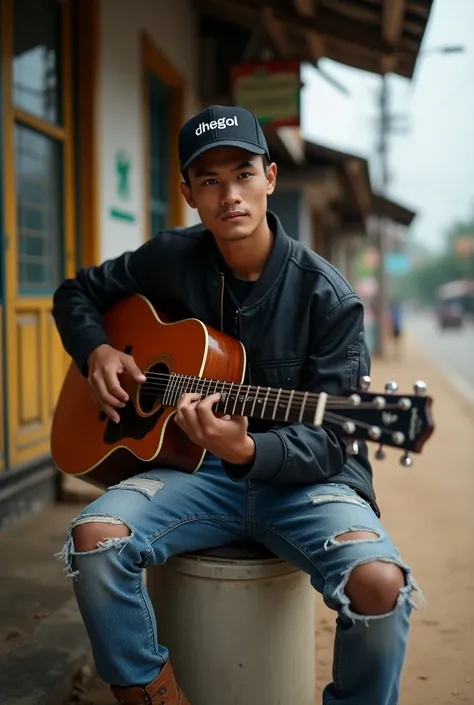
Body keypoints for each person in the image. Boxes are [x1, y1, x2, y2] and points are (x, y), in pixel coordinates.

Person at [52, 106, 422, 705]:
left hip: (309, 482)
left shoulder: (328, 298)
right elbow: (78, 292)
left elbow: (334, 441)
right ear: (188, 194)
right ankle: (152, 694)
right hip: (196, 475)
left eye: (244, 173)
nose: (230, 194)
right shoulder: (171, 257)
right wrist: (97, 352)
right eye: (209, 181)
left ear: (270, 178)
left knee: (381, 585)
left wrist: (249, 447)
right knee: (95, 539)